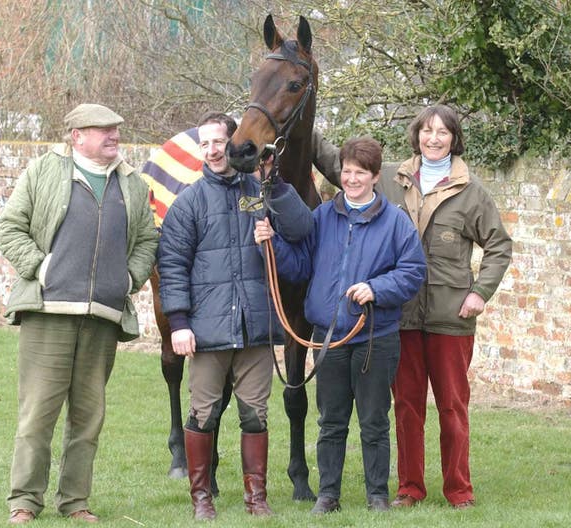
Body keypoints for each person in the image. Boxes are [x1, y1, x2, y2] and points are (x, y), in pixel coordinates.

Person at [0, 104, 158, 525]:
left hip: (103, 317)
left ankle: (75, 502)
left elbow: (147, 240)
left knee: (88, 418)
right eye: (103, 130)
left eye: (116, 130)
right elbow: (9, 228)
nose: (113, 136)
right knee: (38, 415)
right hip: (48, 312)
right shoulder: (44, 172)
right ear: (76, 135)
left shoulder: (133, 184)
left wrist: (127, 279)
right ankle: (25, 501)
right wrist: (44, 267)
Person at [254, 136, 427, 514]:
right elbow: (300, 267)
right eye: (346, 171)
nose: (351, 179)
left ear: (375, 176)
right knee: (331, 421)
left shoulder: (396, 221)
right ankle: (328, 494)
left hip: (374, 337)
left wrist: (376, 288)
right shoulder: (322, 218)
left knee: (373, 421)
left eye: (360, 173)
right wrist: (271, 244)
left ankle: (377, 495)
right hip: (328, 337)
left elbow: (414, 272)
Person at [156, 111, 314, 520]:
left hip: (256, 328)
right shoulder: (189, 202)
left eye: (217, 142)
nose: (210, 151)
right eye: (203, 144)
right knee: (204, 413)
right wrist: (179, 324)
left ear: (234, 142)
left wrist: (275, 186)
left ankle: (255, 499)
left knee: (254, 414)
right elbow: (171, 266)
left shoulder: (259, 191)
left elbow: (302, 227)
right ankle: (202, 498)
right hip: (208, 330)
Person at [378, 105, 512, 509]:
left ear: (454, 138)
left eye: (442, 132)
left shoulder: (472, 192)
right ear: (416, 134)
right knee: (406, 406)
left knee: (452, 406)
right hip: (402, 314)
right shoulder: (389, 180)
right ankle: (409, 489)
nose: (433, 138)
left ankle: (458, 490)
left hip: (450, 317)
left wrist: (479, 293)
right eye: (426, 131)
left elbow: (499, 246)